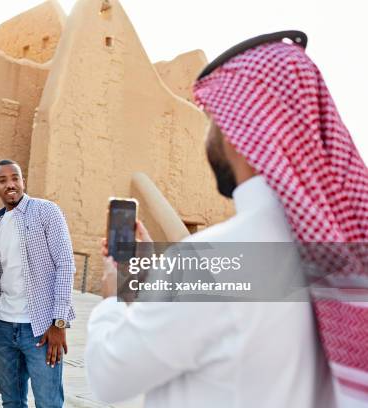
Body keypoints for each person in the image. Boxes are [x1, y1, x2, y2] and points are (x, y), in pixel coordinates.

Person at [84, 31, 358, 407]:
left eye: (213, 120)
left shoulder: (208, 263)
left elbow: (108, 378)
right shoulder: (346, 256)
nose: (208, 138)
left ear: (239, 130)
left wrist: (118, 292)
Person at [0, 159, 75, 408]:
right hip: (4, 327)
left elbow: (65, 264)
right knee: (11, 402)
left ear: (23, 181)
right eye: (3, 180)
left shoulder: (46, 211)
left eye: (15, 178)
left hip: (40, 329)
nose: (11, 184)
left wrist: (58, 322)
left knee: (48, 403)